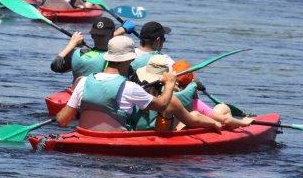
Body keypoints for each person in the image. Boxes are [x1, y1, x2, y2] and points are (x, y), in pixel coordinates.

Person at [56, 36, 221, 132]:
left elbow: (62, 121)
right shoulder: (130, 88)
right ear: (130, 59)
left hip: (86, 138)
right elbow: (163, 105)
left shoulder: (84, 82)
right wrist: (170, 84)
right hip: (116, 143)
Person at [131, 56, 253, 130]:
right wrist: (242, 122)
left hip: (142, 130)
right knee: (217, 109)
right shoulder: (171, 100)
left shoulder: (134, 92)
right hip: (162, 134)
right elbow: (192, 120)